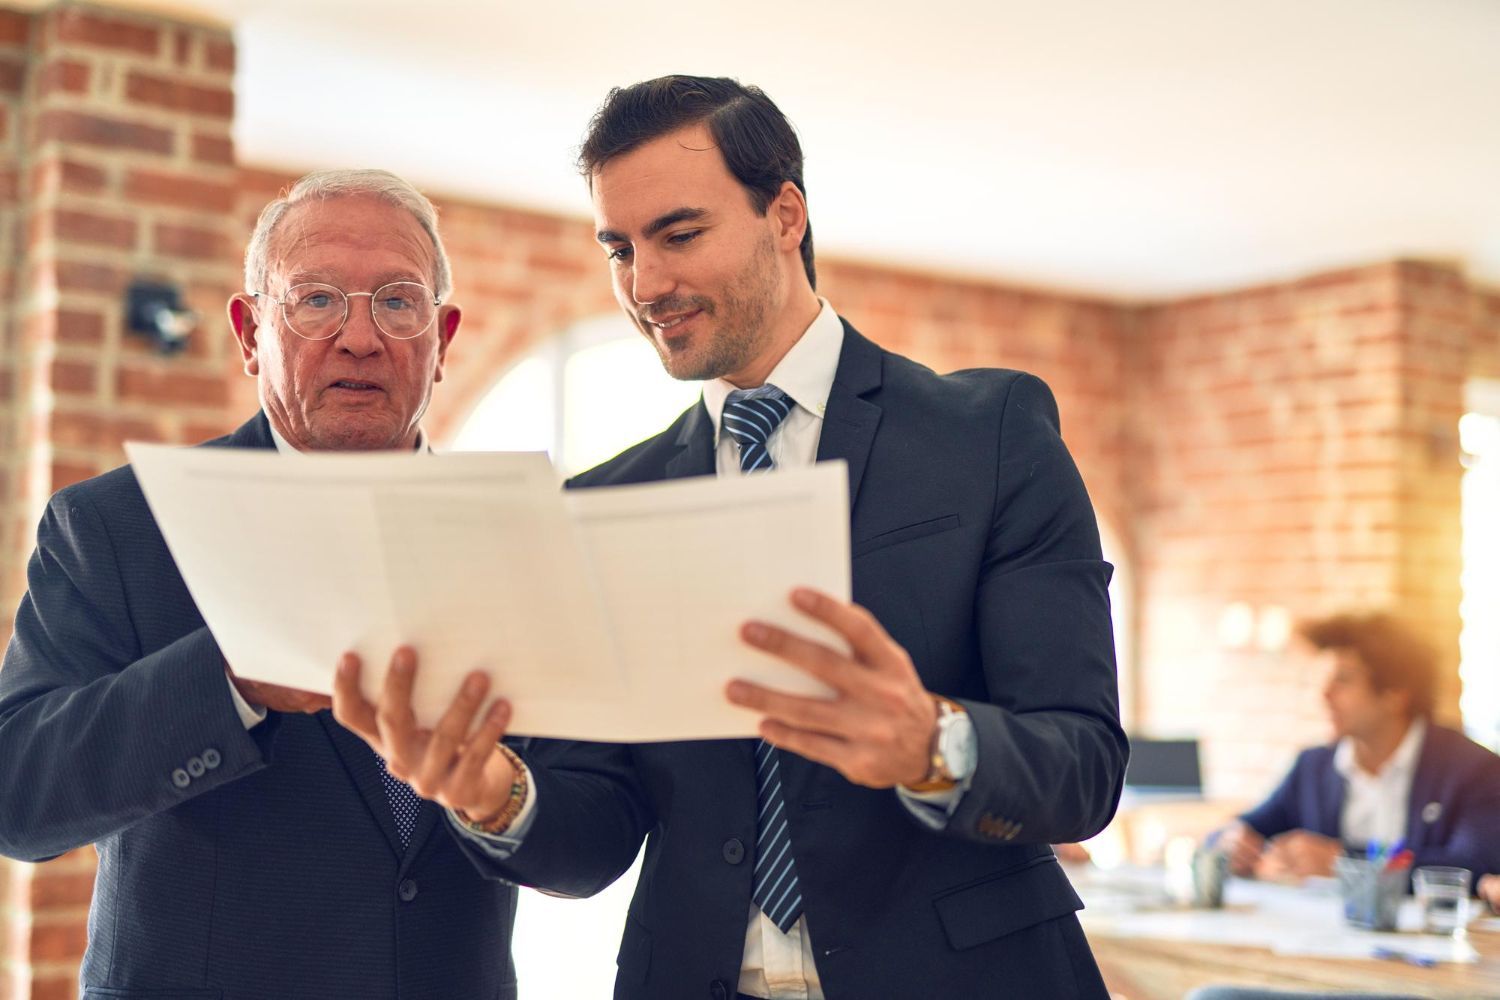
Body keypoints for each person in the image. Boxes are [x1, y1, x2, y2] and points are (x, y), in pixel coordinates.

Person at [335, 76, 1126, 999]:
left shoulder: (989, 435)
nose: (645, 285)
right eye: (619, 248)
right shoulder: (603, 502)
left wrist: (932, 744)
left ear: (784, 215)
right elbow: (594, 835)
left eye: (679, 234)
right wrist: (492, 793)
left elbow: (1084, 767)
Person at [0, 170, 525, 998]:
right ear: (249, 333)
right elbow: (19, 795)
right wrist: (230, 680)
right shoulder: (117, 527)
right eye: (315, 300)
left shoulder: (518, 538)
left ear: (443, 337)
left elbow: (577, 817)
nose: (360, 336)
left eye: (397, 300)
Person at [1216, 613, 1500, 883]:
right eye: (1324, 678)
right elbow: (1243, 829)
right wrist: (1231, 842)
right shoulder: (1314, 766)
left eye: (1343, 680)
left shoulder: (1473, 770)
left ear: (1395, 693)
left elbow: (1476, 863)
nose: (1324, 694)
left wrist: (1345, 860)